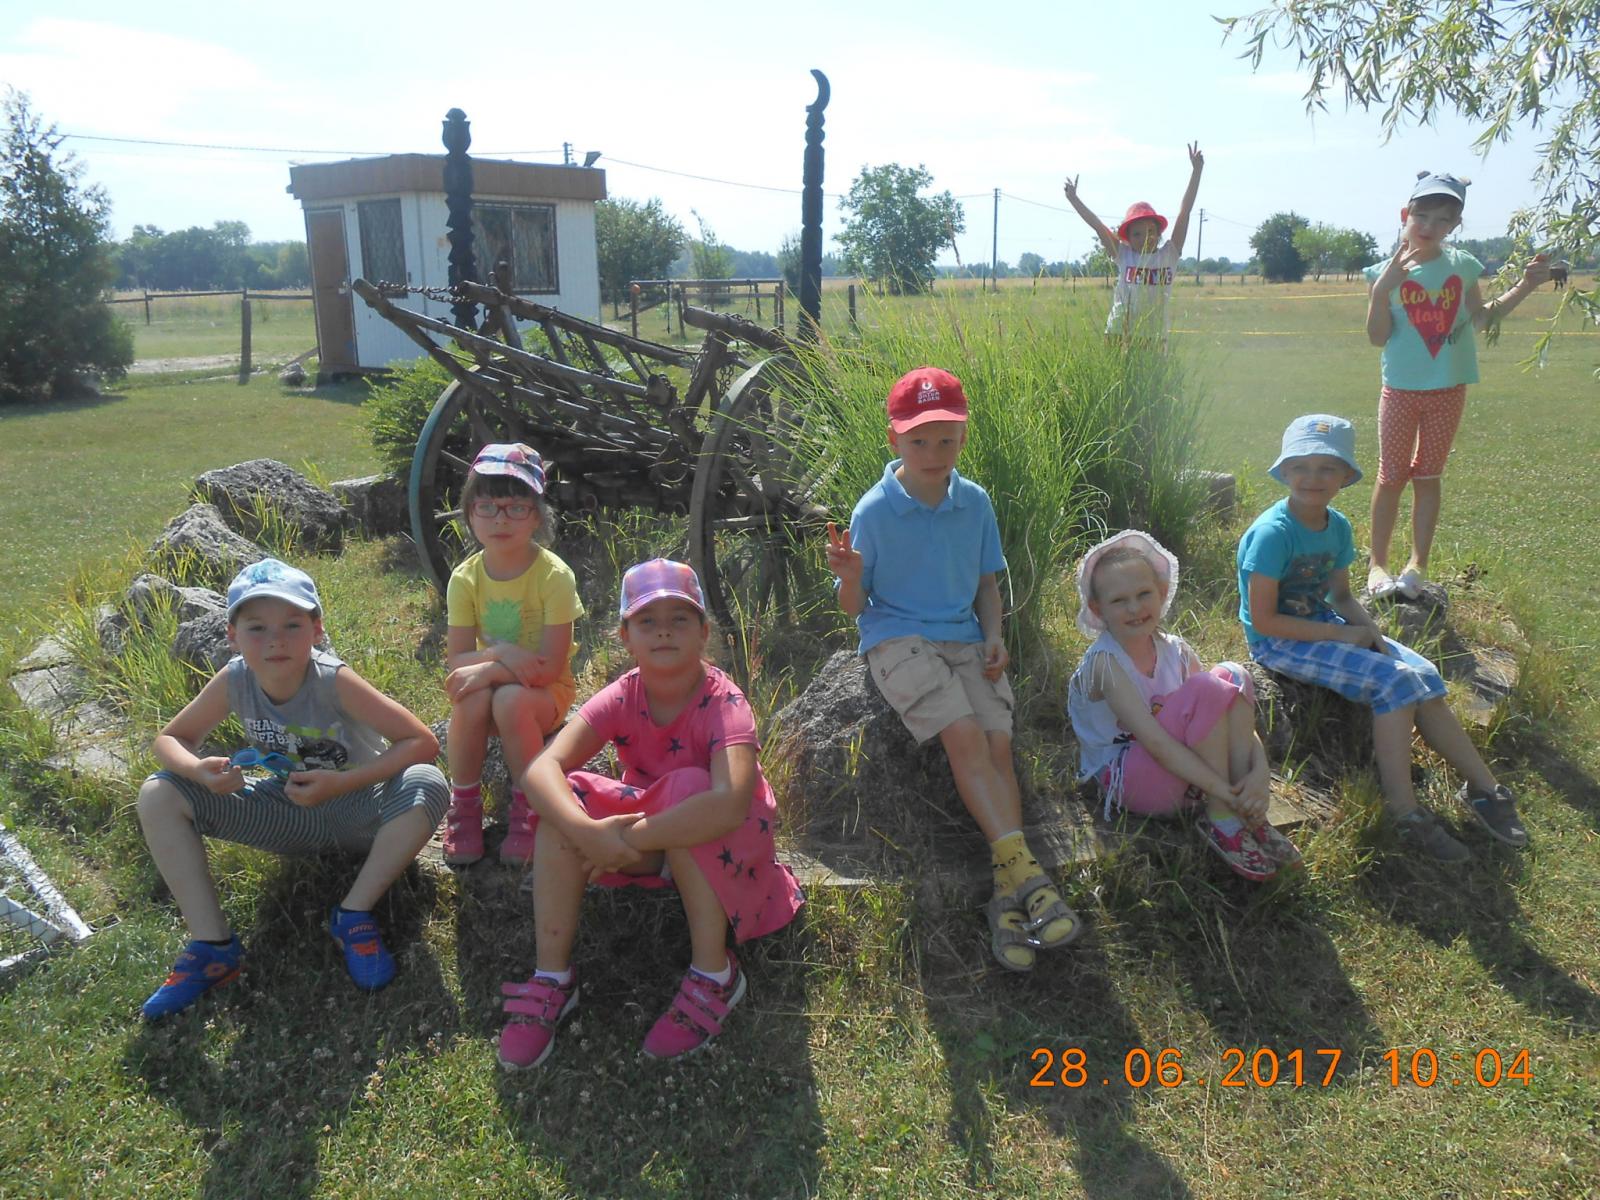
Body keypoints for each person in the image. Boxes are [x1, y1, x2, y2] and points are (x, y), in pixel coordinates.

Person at [825, 366, 1081, 974]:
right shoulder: (875, 511)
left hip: (965, 638)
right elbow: (855, 608)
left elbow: (986, 583)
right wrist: (850, 576)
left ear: (964, 436)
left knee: (998, 743)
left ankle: (1007, 898)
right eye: (919, 440)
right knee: (963, 733)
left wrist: (994, 635)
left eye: (946, 438)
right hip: (897, 637)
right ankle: (1031, 878)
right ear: (894, 439)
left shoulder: (975, 503)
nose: (934, 452)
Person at [499, 559, 803, 1068]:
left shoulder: (724, 700)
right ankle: (551, 977)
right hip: (649, 838)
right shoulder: (625, 693)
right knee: (563, 802)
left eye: (679, 619)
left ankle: (715, 974)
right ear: (626, 637)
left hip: (719, 839)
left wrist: (630, 838)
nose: (663, 630)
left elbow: (731, 802)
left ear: (704, 632)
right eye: (647, 620)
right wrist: (586, 831)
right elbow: (541, 769)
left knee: (691, 787)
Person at [135, 558, 449, 1019]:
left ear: (316, 630)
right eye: (257, 627)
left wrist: (342, 782)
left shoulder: (333, 680)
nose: (275, 640)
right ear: (232, 635)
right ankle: (213, 946)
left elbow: (422, 742)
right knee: (159, 793)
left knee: (427, 781)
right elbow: (170, 739)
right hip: (289, 810)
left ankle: (353, 915)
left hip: (361, 810)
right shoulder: (235, 679)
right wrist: (199, 770)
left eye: (292, 624)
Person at [1238, 414, 1529, 861]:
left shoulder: (1336, 526)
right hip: (1277, 642)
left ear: (1345, 476)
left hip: (1320, 624)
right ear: (1284, 471)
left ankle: (1483, 788)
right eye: (1300, 467)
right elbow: (1265, 620)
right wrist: (1343, 636)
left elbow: (1339, 595)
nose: (1312, 478)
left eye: (1327, 467)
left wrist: (1372, 633)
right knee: (1393, 684)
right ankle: (1403, 811)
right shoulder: (1272, 534)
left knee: (1423, 673)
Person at [1068, 530, 1299, 881]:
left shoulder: (1175, 649)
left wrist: (1260, 771)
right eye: (1119, 600)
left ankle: (1249, 811)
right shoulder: (1106, 663)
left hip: (1188, 775)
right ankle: (1223, 816)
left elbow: (1223, 707)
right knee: (1207, 686)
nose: (1135, 608)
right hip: (1133, 780)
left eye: (1144, 594)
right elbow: (1156, 743)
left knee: (1233, 674)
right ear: (1099, 610)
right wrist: (1222, 792)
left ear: (1162, 593)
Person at [1363, 171, 1552, 599]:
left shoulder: (1462, 266)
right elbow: (1377, 337)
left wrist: (1526, 284)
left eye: (1443, 219)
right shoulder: (1380, 273)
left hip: (1449, 388)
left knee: (1428, 474)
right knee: (1391, 475)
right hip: (1400, 389)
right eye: (1422, 216)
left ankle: (1417, 565)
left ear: (1455, 225)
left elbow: (1480, 318)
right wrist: (1381, 291)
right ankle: (1378, 565)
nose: (1429, 226)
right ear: (1405, 214)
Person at [442, 443, 584, 867]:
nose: (500, 519)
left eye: (516, 507)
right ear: (470, 514)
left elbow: (549, 668)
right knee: (472, 698)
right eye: (486, 506)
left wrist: (488, 670)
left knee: (508, 699)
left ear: (537, 515)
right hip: (497, 680)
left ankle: (529, 805)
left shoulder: (554, 576)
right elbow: (456, 663)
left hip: (545, 694)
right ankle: (464, 805)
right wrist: (501, 654)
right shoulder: (465, 579)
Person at [1062, 143, 1204, 341]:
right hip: (1119, 331)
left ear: (1159, 233)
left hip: (1154, 334)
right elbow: (1097, 225)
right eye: (1137, 234)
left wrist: (1196, 171)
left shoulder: (1169, 254)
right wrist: (1074, 200)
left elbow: (1185, 212)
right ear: (1128, 238)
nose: (1145, 238)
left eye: (1151, 232)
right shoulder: (1123, 254)